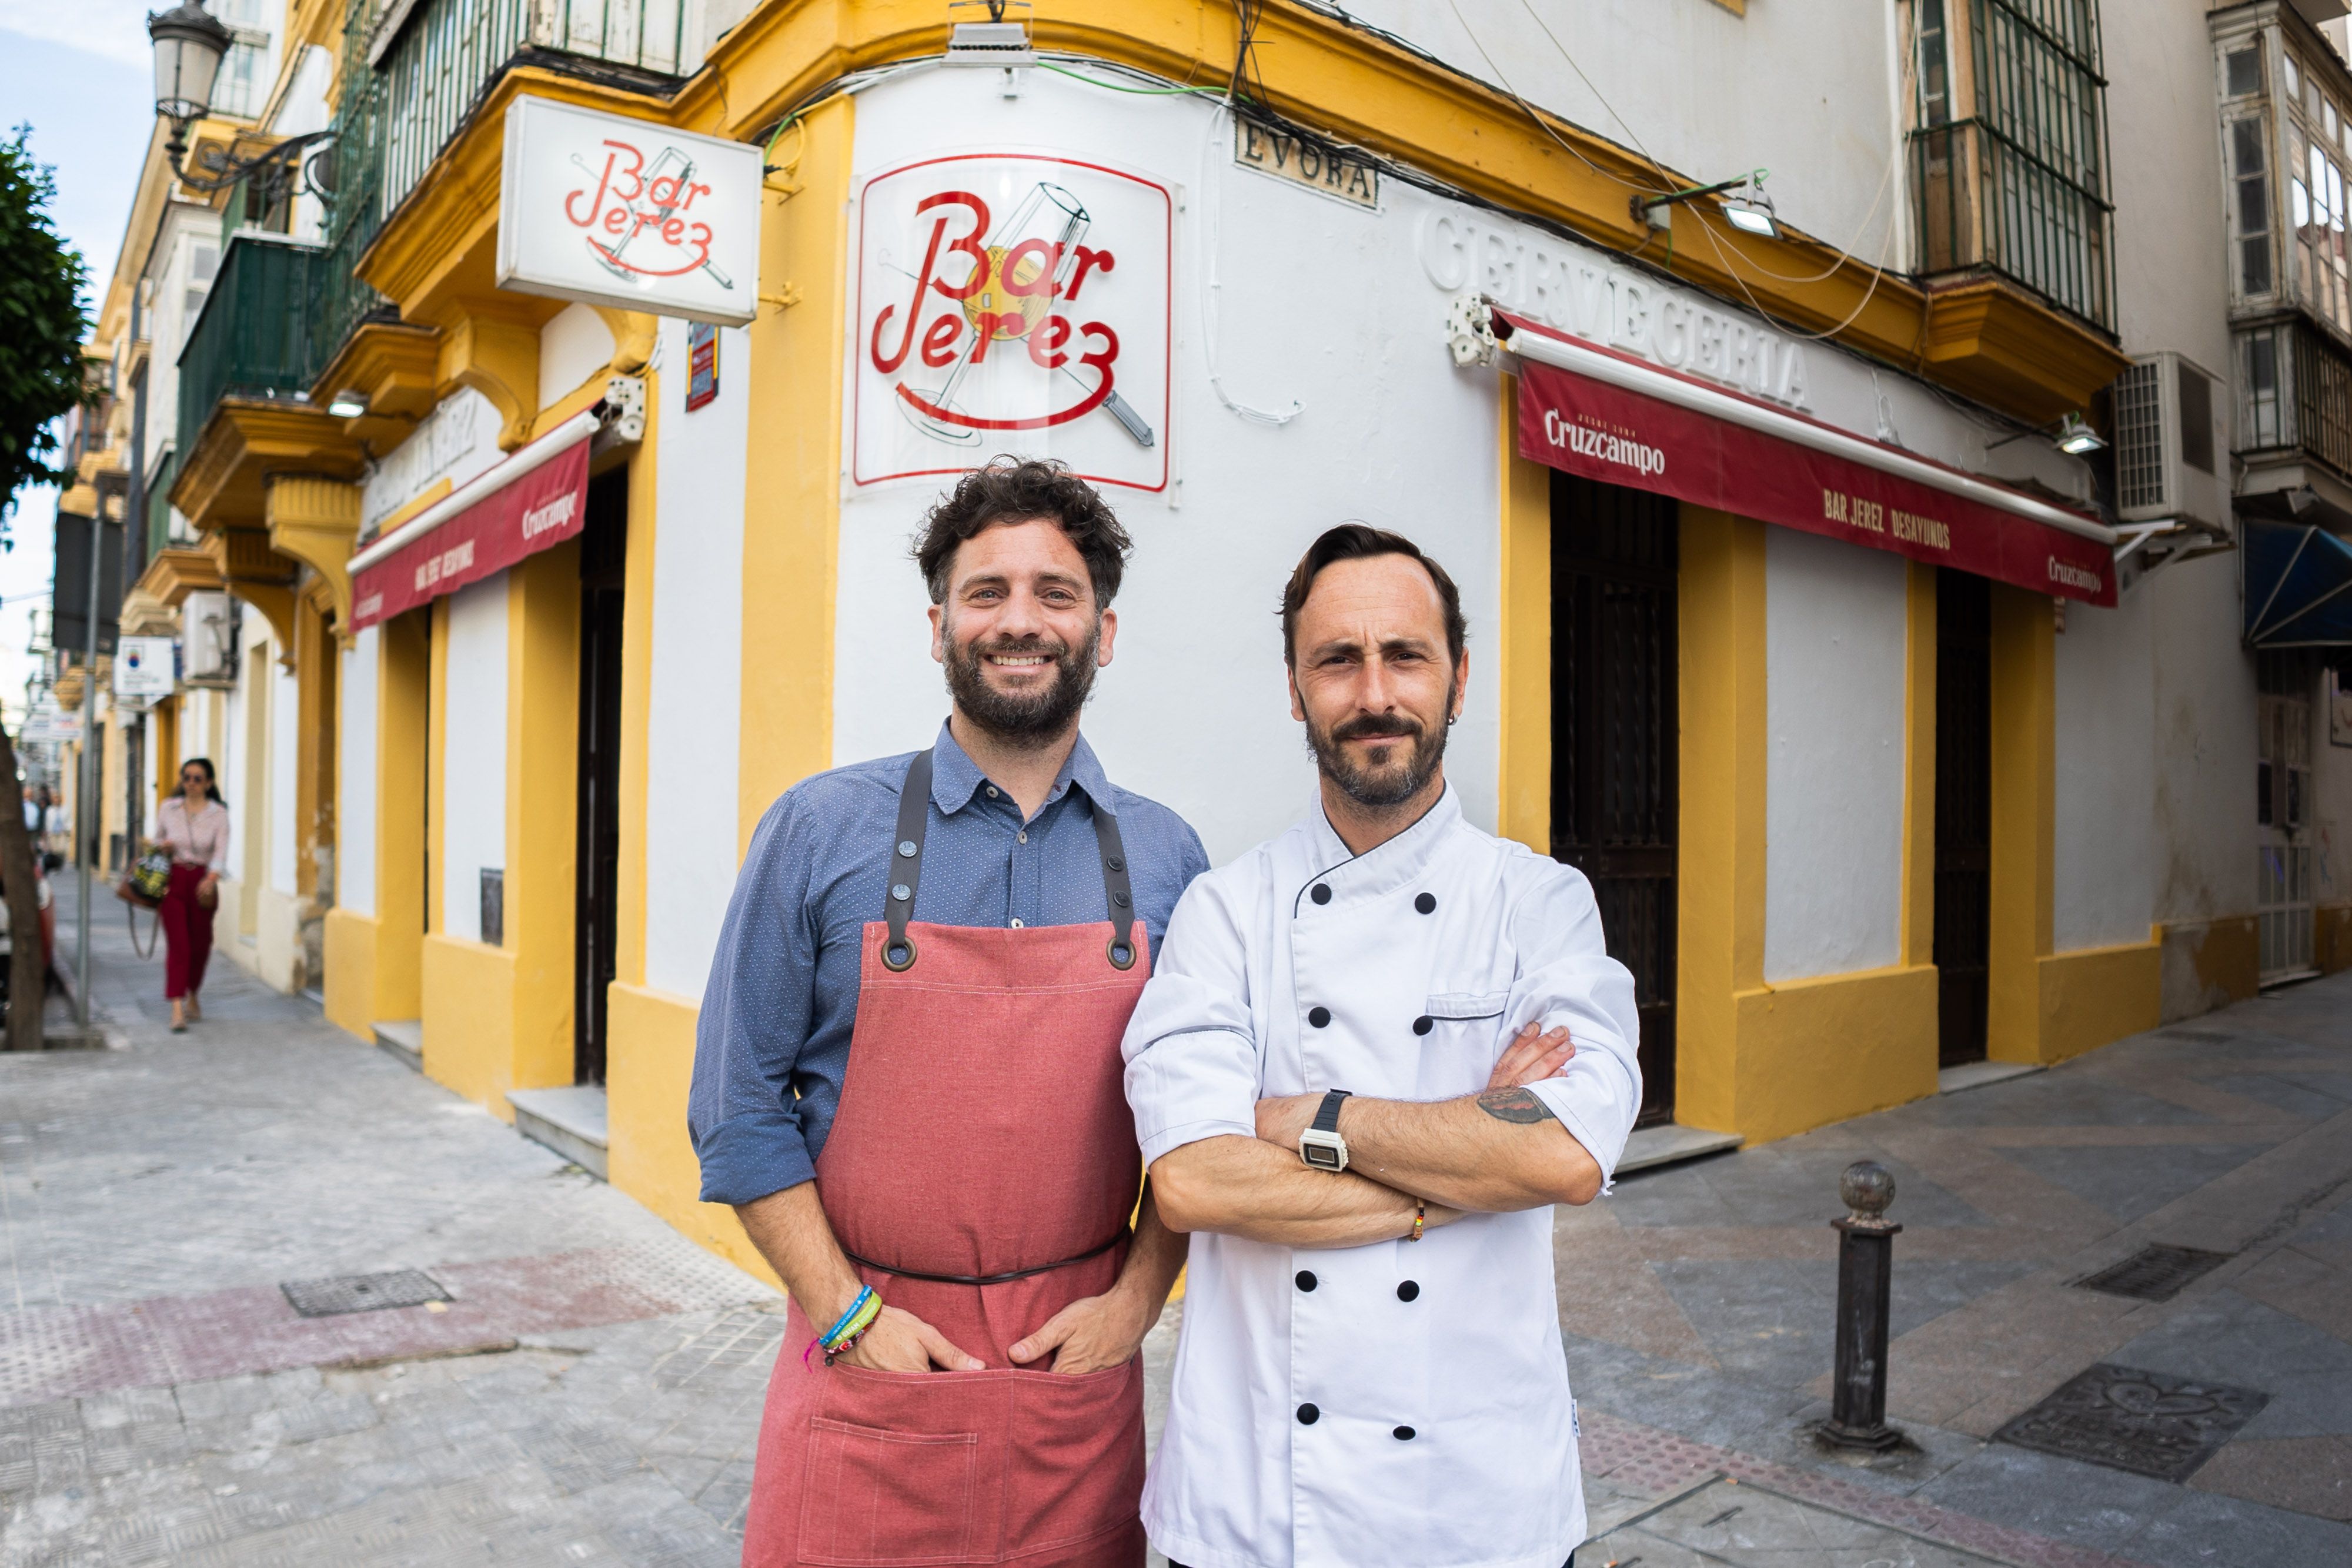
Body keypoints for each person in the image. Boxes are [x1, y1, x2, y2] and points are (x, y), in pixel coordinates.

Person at [691, 457, 1210, 1568]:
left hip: (1076, 1390)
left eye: (1055, 593)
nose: (1019, 621)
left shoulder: (1169, 859)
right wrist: (847, 1317)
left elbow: (1199, 1126)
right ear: (939, 625)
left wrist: (1135, 1302)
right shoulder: (819, 830)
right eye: (987, 592)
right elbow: (735, 1111)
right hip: (867, 1374)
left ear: (1102, 632)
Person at [1122, 524, 1643, 1568]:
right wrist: (1452, 1181)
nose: (1374, 692)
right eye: (1336, 659)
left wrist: (1304, 1118)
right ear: (1294, 687)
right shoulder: (1226, 911)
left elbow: (1562, 1156)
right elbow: (1191, 1182)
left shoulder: (1538, 904)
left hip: (1478, 1503)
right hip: (1255, 1510)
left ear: (1459, 679)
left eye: (1406, 654)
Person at [152, 758, 228, 1033]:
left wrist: (211, 879)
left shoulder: (218, 814)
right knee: (179, 945)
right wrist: (164, 846)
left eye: (198, 778)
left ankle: (193, 992)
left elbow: (220, 853)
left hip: (202, 882)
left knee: (200, 945)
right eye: (187, 777)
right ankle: (176, 1007)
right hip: (172, 879)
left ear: (209, 783)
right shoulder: (168, 808)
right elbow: (156, 839)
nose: (191, 783)